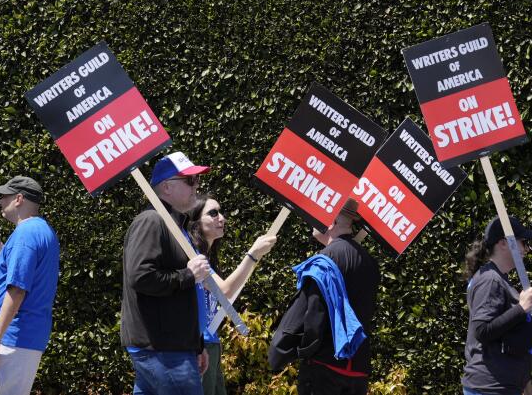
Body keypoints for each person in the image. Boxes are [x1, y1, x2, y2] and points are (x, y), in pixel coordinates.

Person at [121, 152, 214, 395]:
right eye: (190, 181)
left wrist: (196, 344)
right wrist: (188, 275)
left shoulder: (175, 225)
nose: (197, 187)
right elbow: (141, 276)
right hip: (162, 349)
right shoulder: (152, 221)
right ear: (167, 187)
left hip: (171, 348)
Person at [269, 200, 379, 395]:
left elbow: (308, 313)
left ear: (332, 221)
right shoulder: (370, 263)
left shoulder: (325, 261)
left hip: (324, 368)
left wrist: (279, 352)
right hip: (358, 370)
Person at [186, 194, 278, 395]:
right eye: (213, 213)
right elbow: (225, 291)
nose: (222, 218)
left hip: (210, 345)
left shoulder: (205, 257)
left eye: (221, 212)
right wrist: (253, 254)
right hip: (200, 347)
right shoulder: (193, 257)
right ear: (195, 223)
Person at [0, 175, 60, 395]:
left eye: (4, 197)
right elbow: (20, 270)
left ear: (19, 199)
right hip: (21, 337)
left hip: (14, 338)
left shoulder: (25, 234)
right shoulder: (40, 230)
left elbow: (17, 289)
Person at [461, 216, 532, 395]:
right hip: (490, 388)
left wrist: (527, 387)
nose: (527, 249)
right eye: (523, 242)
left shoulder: (496, 278)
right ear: (504, 243)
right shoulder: (490, 280)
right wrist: (521, 308)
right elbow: (482, 330)